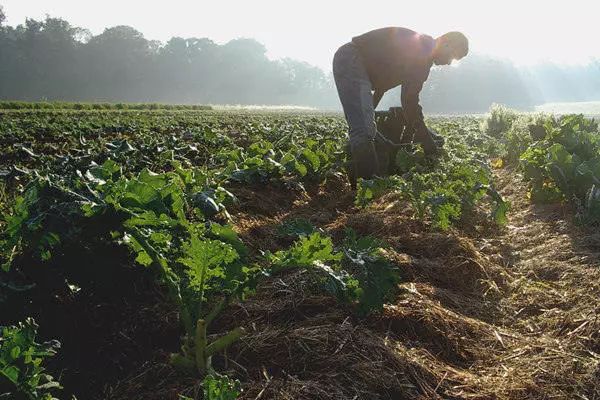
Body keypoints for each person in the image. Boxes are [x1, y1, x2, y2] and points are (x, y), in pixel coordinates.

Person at [333, 27, 469, 180]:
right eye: (452, 56)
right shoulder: (422, 51)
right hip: (352, 59)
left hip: (354, 61)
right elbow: (409, 101)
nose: (449, 63)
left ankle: (366, 179)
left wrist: (368, 113)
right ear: (446, 43)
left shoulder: (422, 51)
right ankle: (369, 188)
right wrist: (426, 141)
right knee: (364, 130)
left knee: (365, 126)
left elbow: (381, 88)